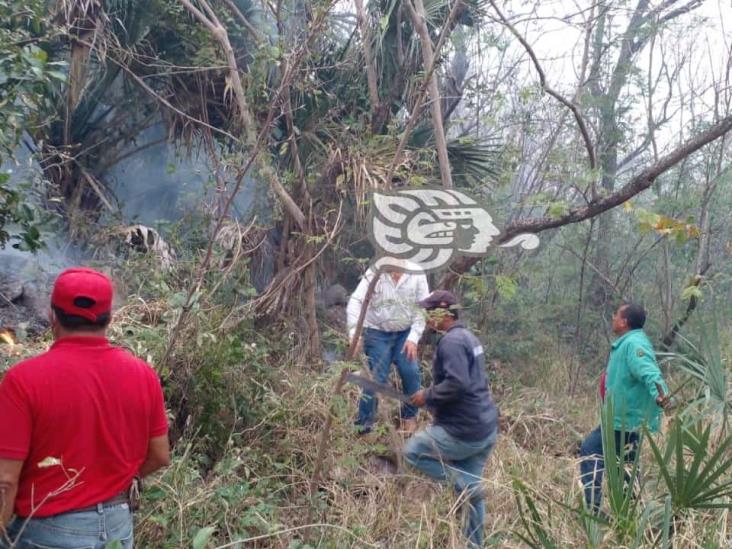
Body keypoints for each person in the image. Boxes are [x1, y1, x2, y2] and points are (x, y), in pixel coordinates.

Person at [0, 267, 170, 548]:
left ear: (52, 316)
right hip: (118, 528)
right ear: (110, 318)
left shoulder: (22, 381)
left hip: (46, 532)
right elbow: (160, 456)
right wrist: (113, 482)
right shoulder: (143, 374)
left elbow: (5, 481)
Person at [404, 291, 499, 548]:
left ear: (444, 312)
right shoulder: (468, 337)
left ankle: (466, 487)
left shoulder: (451, 342)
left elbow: (457, 382)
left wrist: (427, 395)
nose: (425, 317)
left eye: (429, 311)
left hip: (465, 430)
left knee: (413, 451)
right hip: (485, 427)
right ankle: (474, 545)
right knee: (473, 498)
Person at [579, 303, 670, 513]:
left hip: (623, 420)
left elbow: (650, 372)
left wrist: (661, 395)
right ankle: (630, 514)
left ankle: (594, 510)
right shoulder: (628, 342)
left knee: (590, 451)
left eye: (616, 315)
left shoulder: (634, 344)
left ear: (624, 321)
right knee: (627, 465)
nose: (613, 318)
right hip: (624, 419)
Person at [347, 262, 430, 434]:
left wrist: (413, 338)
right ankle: (364, 426)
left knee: (410, 371)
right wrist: (354, 333)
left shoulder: (417, 273)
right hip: (376, 331)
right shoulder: (375, 271)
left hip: (404, 333)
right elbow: (355, 301)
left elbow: (422, 310)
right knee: (376, 376)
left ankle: (409, 417)